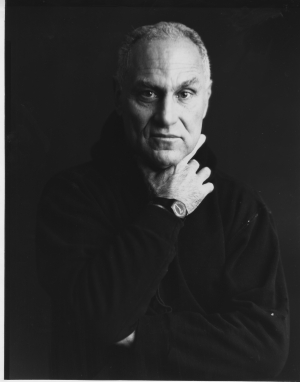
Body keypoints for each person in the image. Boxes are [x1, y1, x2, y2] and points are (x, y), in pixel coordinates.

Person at [36, 22, 289, 380]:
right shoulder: (70, 197)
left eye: (185, 93)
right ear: (118, 96)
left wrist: (141, 336)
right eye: (148, 94)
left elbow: (266, 349)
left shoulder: (241, 207)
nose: (167, 117)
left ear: (207, 97)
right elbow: (101, 322)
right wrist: (169, 207)